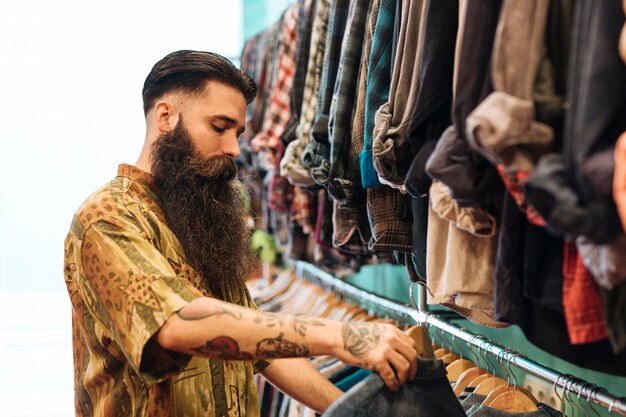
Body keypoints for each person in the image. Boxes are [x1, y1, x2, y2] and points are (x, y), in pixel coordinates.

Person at [63, 50, 419, 417]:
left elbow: (260, 349)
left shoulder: (199, 218)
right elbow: (175, 324)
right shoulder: (106, 217)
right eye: (219, 127)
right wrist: (340, 337)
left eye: (237, 133)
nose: (234, 149)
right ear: (166, 116)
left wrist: (347, 411)